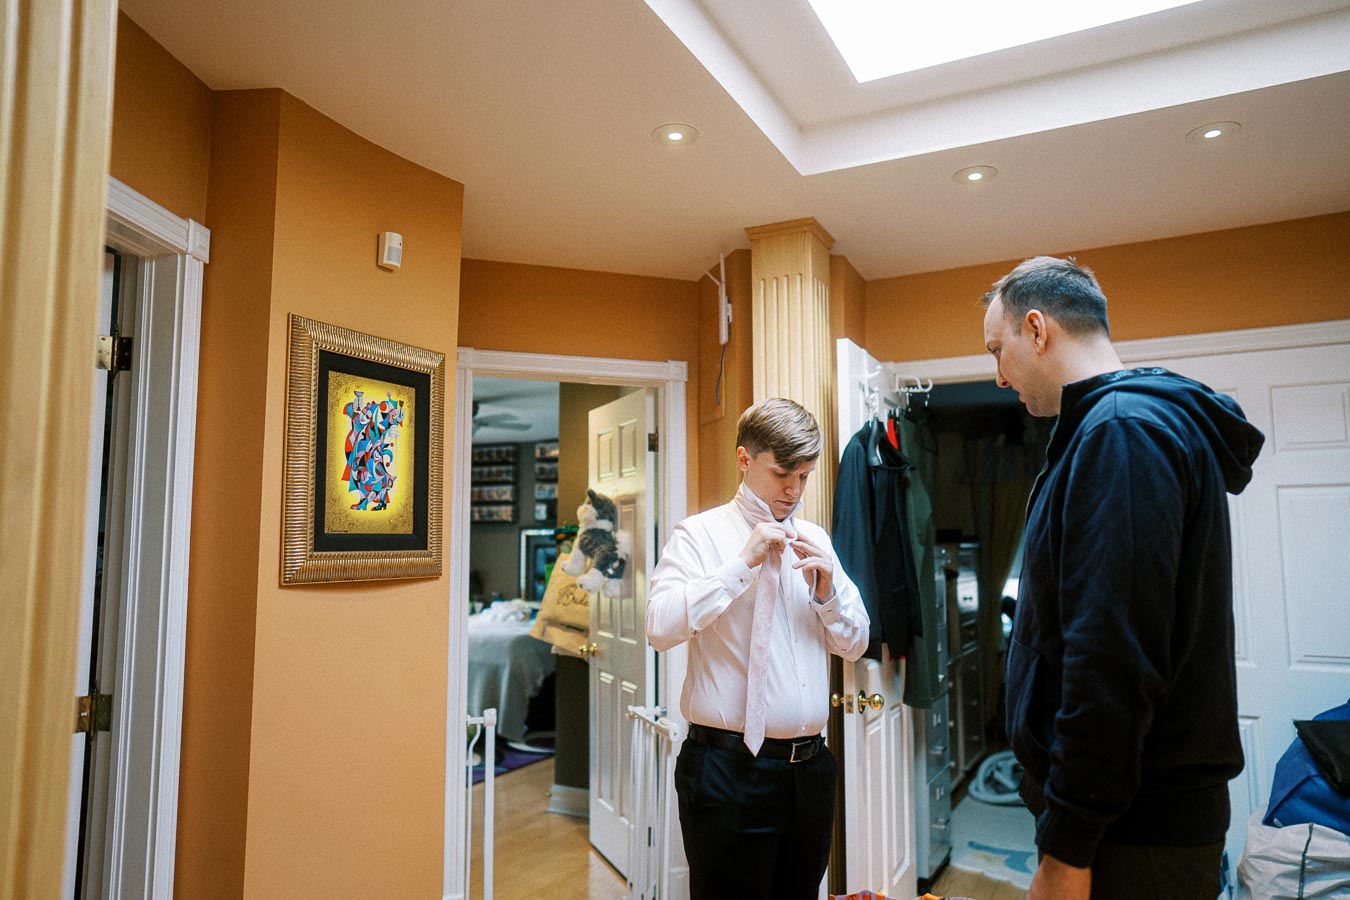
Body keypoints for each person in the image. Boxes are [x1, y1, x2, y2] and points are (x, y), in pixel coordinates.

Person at [981, 256, 1264, 900]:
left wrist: (1068, 849)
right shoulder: (1112, 427)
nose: (999, 376)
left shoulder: (1122, 433)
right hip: (1125, 820)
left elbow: (1113, 656)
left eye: (1000, 350)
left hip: (1133, 833)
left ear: (1037, 328)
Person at [646, 398, 870, 899]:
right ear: (745, 460)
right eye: (783, 474)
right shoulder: (699, 536)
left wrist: (828, 595)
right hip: (727, 772)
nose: (794, 491)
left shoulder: (814, 539)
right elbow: (659, 628)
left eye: (805, 477)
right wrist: (738, 567)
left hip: (810, 773)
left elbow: (856, 644)